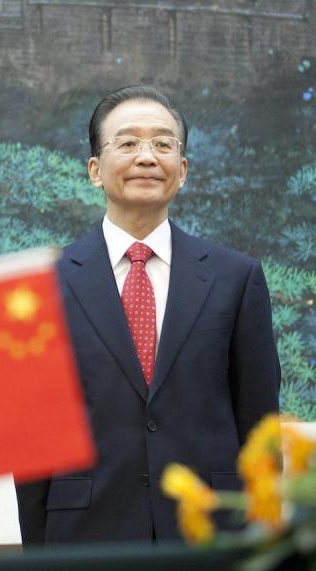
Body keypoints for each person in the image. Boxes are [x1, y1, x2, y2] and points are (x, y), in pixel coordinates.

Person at [15, 84, 281, 544]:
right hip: (84, 533)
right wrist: (41, 555)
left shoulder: (236, 278)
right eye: (128, 143)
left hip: (212, 532)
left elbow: (259, 421)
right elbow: (34, 436)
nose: (146, 156)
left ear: (183, 170)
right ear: (95, 170)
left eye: (163, 144)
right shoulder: (43, 284)